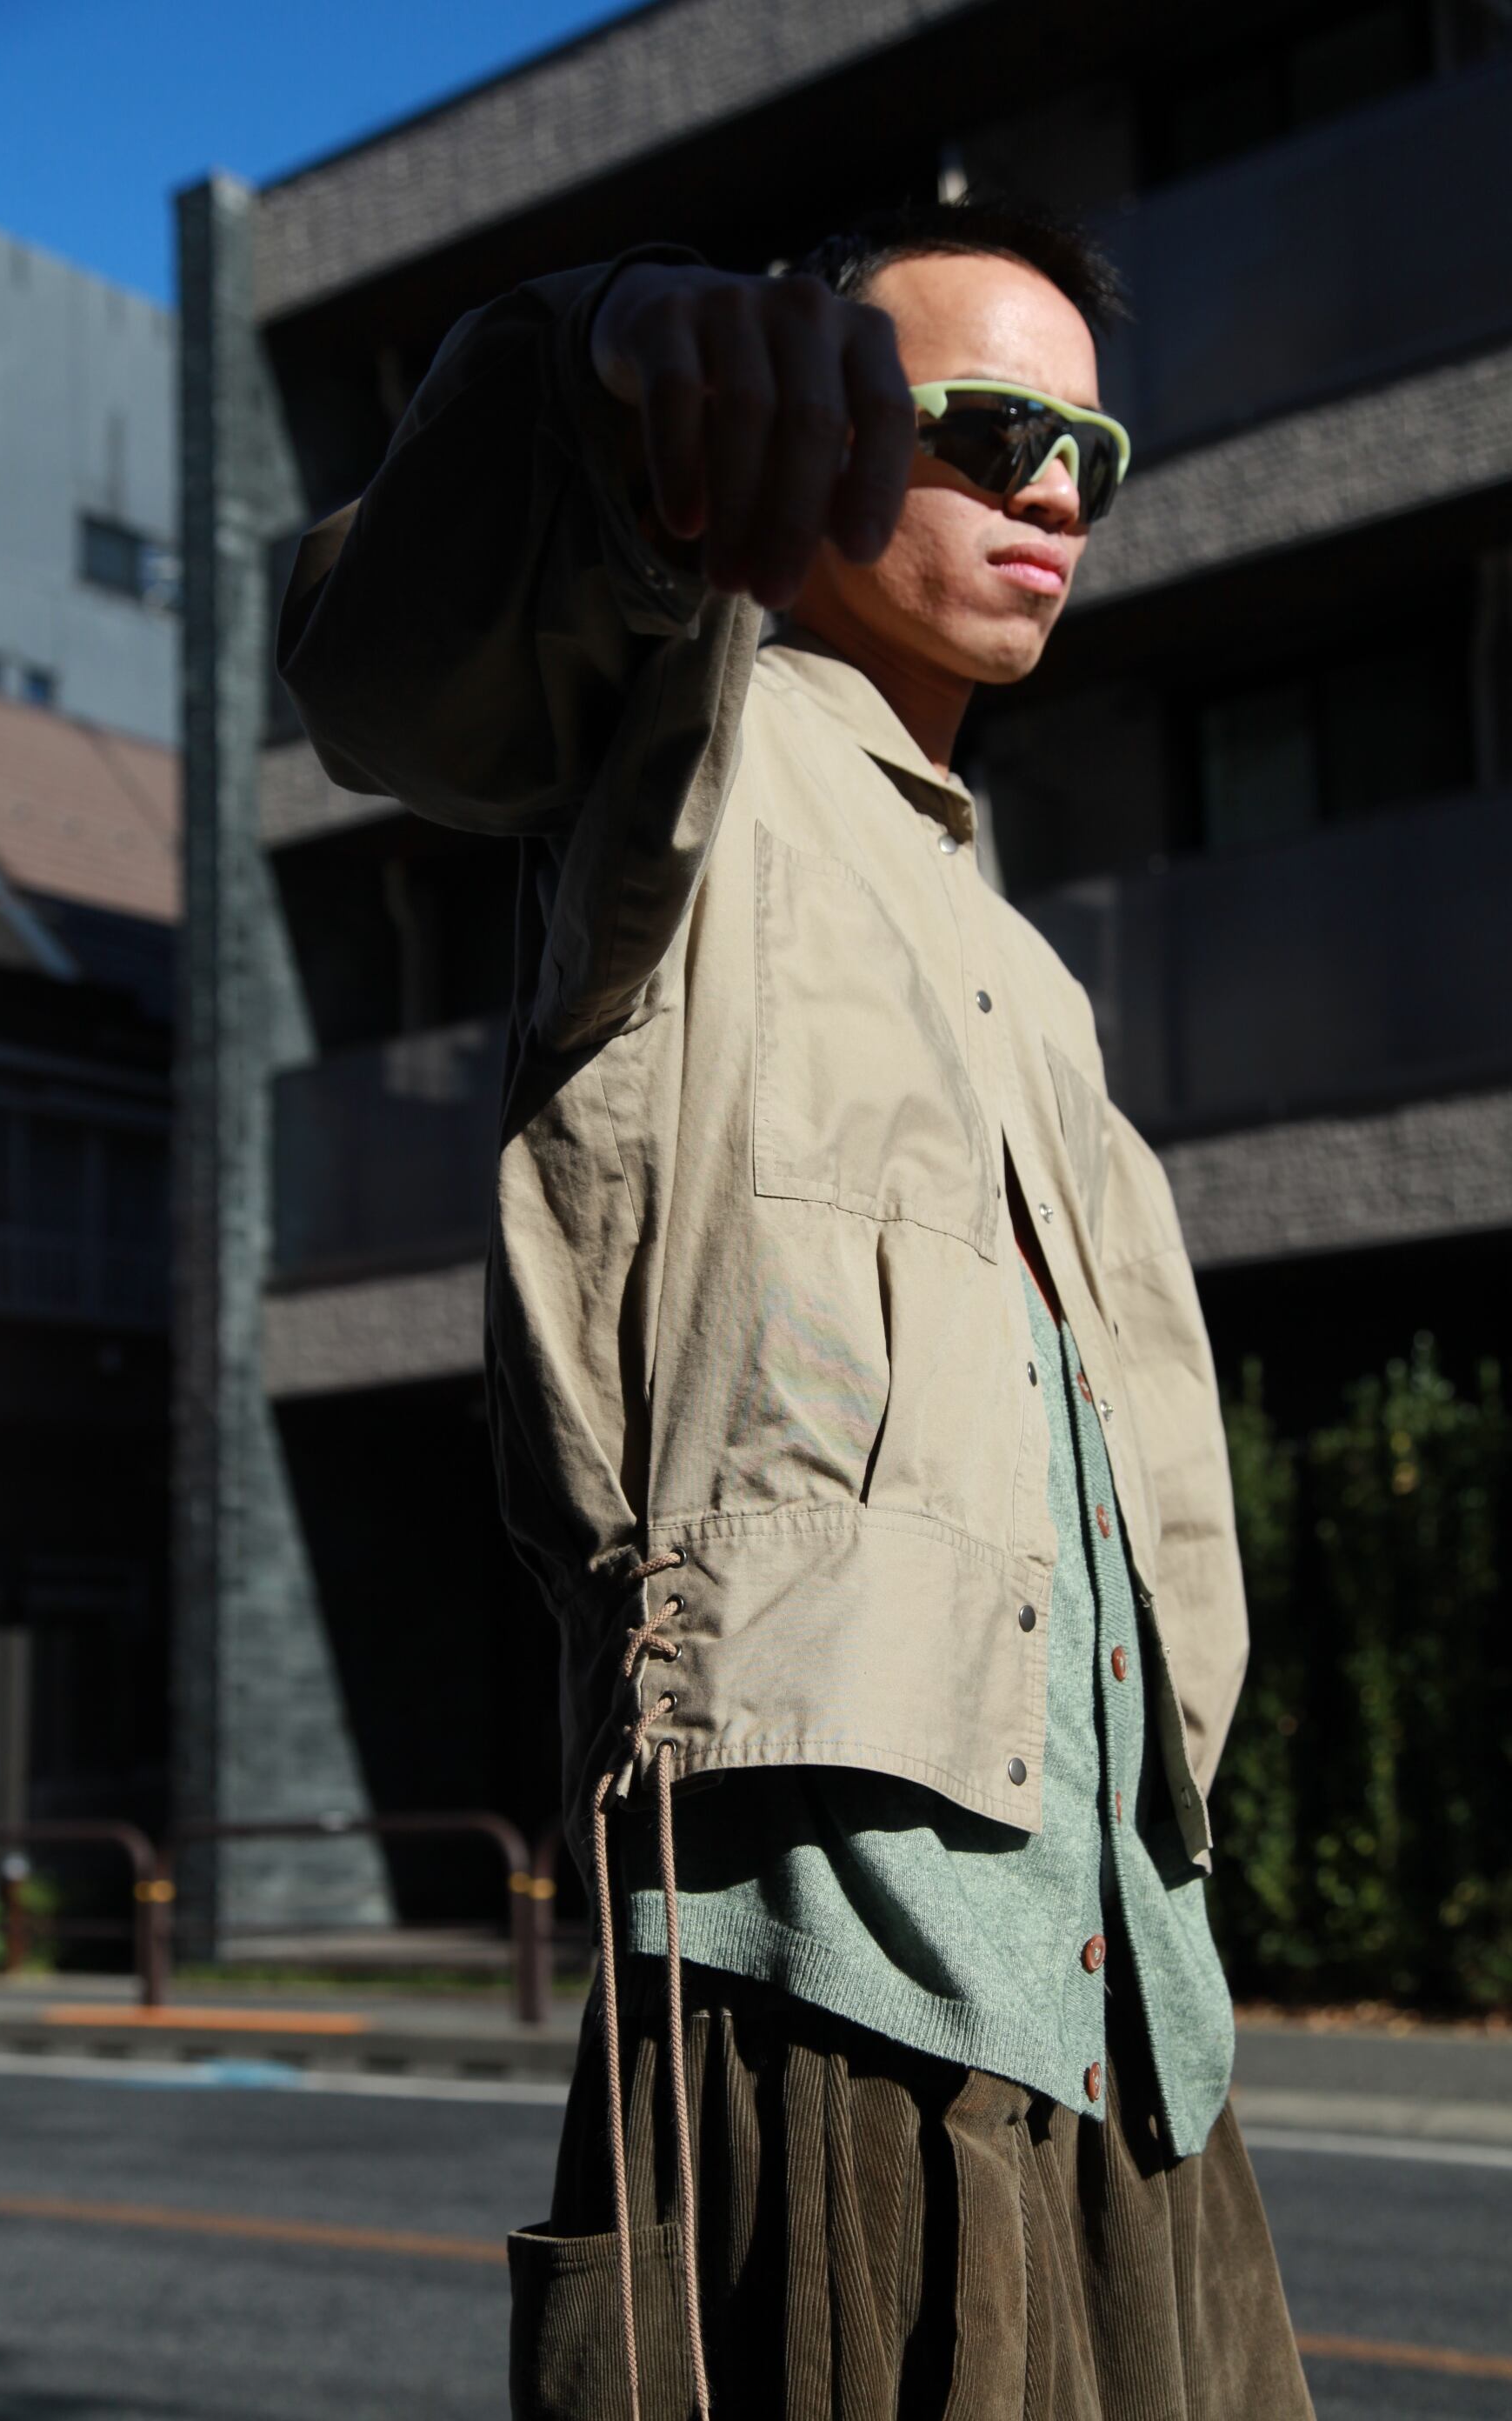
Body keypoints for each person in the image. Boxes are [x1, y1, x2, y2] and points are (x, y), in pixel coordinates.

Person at [279, 192, 1315, 2421]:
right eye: (992, 429)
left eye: (1091, 451)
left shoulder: (1021, 962)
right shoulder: (679, 739)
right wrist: (608, 365)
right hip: (834, 1960)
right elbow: (392, 667)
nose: (1056, 490)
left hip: (1133, 1995)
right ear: (807, 423)